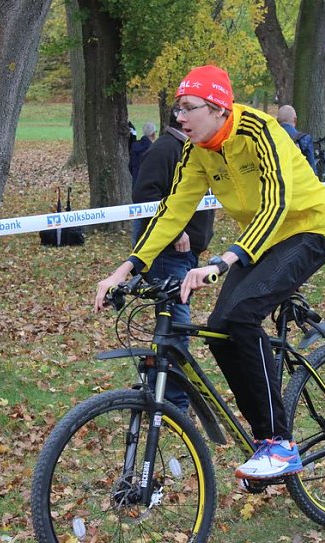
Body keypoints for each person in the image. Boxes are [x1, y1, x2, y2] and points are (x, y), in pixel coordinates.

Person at [95, 65, 325, 481]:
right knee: (223, 327)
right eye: (178, 109)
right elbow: (173, 210)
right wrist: (126, 267)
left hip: (308, 229)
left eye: (188, 108)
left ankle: (278, 443)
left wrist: (224, 260)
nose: (180, 118)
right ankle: (263, 440)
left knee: (239, 319)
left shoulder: (260, 131)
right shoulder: (197, 150)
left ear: (219, 109)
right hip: (261, 239)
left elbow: (276, 204)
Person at [131, 113, 215, 410]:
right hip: (168, 255)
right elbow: (144, 196)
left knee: (171, 328)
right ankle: (174, 404)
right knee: (176, 327)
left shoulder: (193, 150)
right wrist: (176, 230)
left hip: (186, 255)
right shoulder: (165, 149)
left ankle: (158, 391)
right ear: (183, 121)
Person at [277, 105, 318, 175]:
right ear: (295, 120)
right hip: (299, 181)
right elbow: (311, 168)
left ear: (277, 121)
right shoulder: (304, 139)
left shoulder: (271, 138)